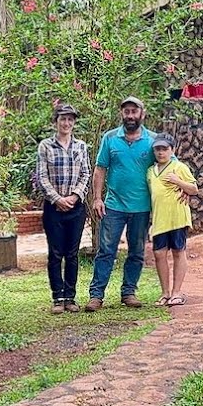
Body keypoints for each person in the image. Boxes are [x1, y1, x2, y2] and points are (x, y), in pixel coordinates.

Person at [86, 96, 154, 311]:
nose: (130, 115)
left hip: (142, 207)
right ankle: (96, 296)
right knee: (106, 251)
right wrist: (97, 198)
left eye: (134, 111)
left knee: (136, 251)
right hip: (113, 206)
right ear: (122, 114)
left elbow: (167, 167)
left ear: (142, 113)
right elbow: (100, 169)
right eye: (127, 112)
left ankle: (129, 292)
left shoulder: (153, 141)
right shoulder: (110, 138)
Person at [36, 103, 91, 314]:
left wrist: (75, 196)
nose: (66, 123)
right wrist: (58, 199)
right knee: (55, 254)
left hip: (76, 208)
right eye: (63, 119)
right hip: (53, 208)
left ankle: (70, 297)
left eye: (70, 119)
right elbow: (42, 177)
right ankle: (57, 298)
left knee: (72, 253)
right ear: (56, 121)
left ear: (74, 122)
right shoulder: (45, 146)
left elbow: (86, 174)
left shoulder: (81, 147)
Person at [146, 133, 198, 306]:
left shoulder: (179, 167)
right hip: (159, 219)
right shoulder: (150, 171)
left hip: (177, 217)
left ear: (172, 150)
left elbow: (194, 189)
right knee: (159, 254)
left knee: (178, 251)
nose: (161, 153)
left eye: (164, 149)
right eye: (158, 149)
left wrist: (179, 182)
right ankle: (165, 292)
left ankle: (177, 292)